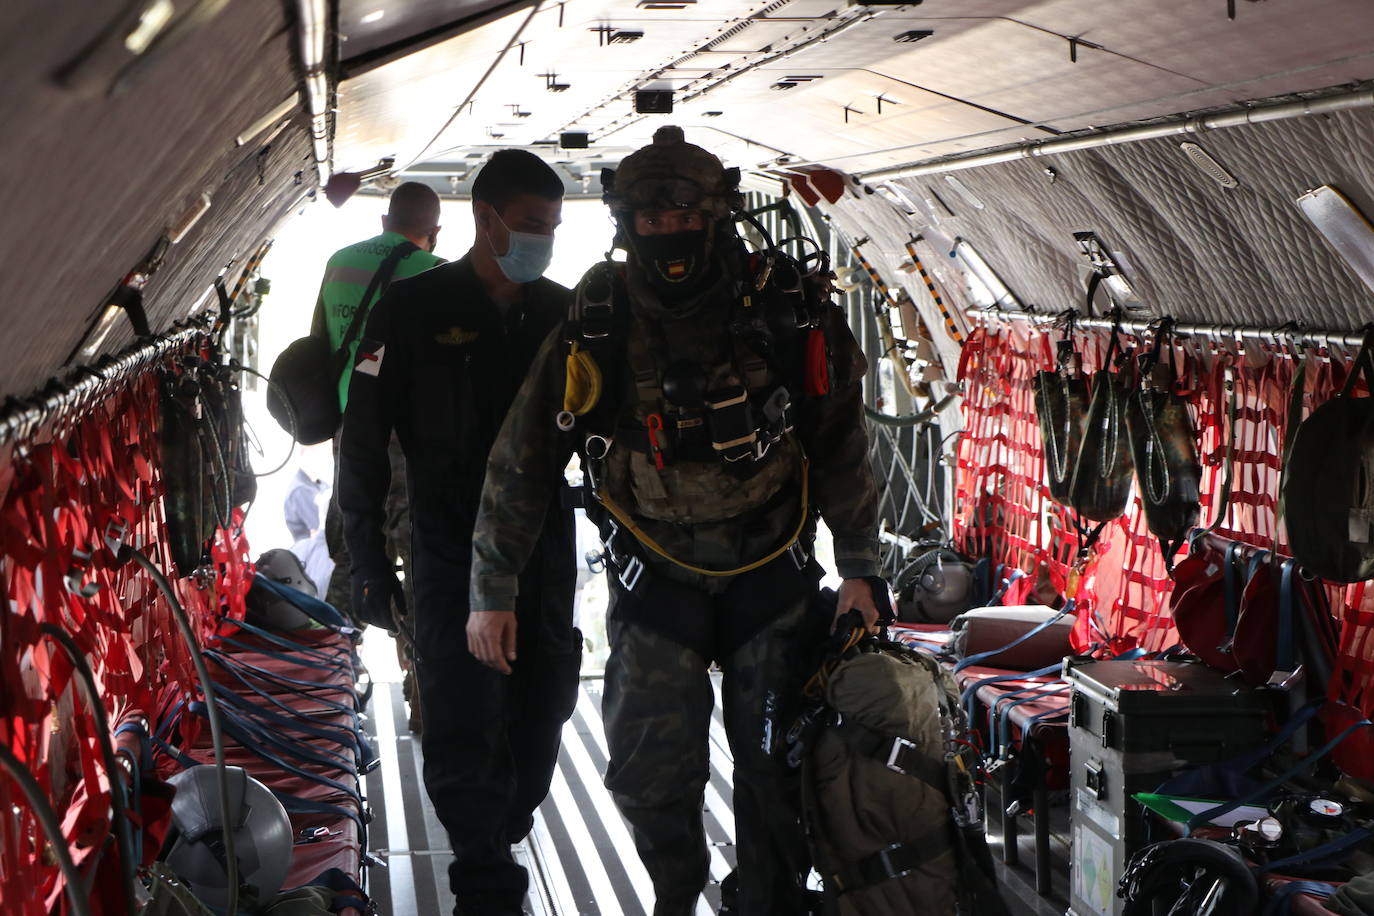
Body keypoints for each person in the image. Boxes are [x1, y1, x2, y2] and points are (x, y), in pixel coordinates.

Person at [470, 126, 884, 915]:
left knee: (780, 769)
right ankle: (672, 893)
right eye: (651, 223)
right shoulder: (597, 318)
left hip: (771, 570)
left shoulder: (786, 307)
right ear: (626, 225)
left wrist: (861, 567)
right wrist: (492, 587)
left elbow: (841, 442)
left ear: (717, 214)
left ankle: (768, 898)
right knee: (648, 770)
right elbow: (521, 460)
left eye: (683, 218)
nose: (668, 235)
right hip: (655, 578)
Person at [337, 150, 581, 916]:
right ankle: (484, 879)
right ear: (485, 218)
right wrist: (368, 561)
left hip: (543, 548)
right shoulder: (413, 311)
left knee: (541, 712)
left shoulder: (562, 315)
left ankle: (506, 824)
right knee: (462, 713)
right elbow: (364, 443)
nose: (543, 240)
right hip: (447, 547)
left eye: (552, 226)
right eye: (532, 225)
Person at [312, 181, 445, 625]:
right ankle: (416, 643)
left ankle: (337, 642)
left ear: (385, 221)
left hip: (350, 418)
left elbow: (320, 342)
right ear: (435, 231)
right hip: (408, 428)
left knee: (355, 526)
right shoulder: (440, 273)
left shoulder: (339, 262)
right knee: (412, 535)